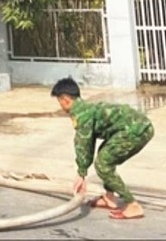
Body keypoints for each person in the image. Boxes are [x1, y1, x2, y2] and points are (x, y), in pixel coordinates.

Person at [51, 77, 155, 220]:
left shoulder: (81, 114)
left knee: (103, 164)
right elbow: (90, 141)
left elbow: (84, 144)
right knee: (104, 156)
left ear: (65, 100)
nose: (60, 105)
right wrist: (83, 169)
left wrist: (81, 173)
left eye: (59, 101)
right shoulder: (85, 108)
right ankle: (109, 197)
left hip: (136, 130)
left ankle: (132, 205)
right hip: (137, 127)